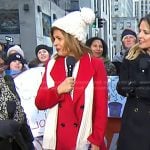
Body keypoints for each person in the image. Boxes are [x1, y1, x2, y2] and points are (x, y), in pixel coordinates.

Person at [35, 7, 108, 150]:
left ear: (73, 38)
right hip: (59, 141)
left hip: (86, 139)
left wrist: (96, 140)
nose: (55, 43)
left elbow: (101, 107)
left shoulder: (96, 64)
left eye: (59, 38)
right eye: (54, 39)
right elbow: (40, 102)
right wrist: (58, 90)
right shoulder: (52, 65)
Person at [116, 14, 150, 150]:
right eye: (139, 30)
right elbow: (121, 86)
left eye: (146, 32)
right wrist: (135, 88)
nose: (140, 35)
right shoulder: (131, 56)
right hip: (134, 123)